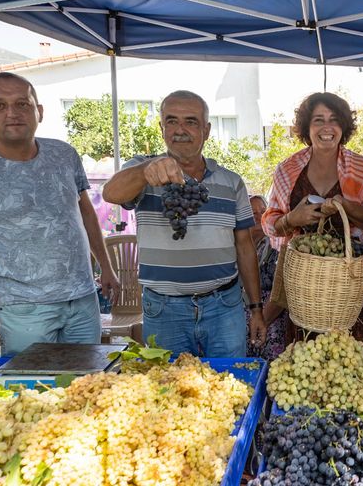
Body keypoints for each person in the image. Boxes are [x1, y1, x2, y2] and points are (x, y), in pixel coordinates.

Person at [0, 72, 120, 355]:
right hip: (24, 310)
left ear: (39, 111)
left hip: (83, 301)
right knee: (32, 394)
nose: (12, 113)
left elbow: (86, 214)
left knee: (88, 389)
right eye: (0, 105)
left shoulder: (63, 154)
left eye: (22, 104)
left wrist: (106, 267)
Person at [102, 90, 265, 357]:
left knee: (230, 386)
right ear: (161, 127)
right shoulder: (143, 172)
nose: (181, 130)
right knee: (171, 391)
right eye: (172, 121)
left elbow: (245, 247)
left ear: (207, 130)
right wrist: (145, 171)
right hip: (165, 311)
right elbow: (111, 192)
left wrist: (256, 308)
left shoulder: (231, 182)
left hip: (224, 307)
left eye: (191, 121)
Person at [262, 92, 363, 346]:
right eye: (318, 120)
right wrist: (292, 218)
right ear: (307, 128)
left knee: (351, 362)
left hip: (348, 283)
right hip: (304, 284)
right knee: (304, 365)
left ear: (343, 126)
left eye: (334, 119)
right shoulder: (287, 169)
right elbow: (272, 225)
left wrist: (347, 207)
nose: (327, 127)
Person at [245, 194, 287, 360]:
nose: (258, 216)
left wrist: (262, 320)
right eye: (252, 212)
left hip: (270, 319)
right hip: (239, 323)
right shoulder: (235, 245)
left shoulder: (276, 246)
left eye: (263, 211)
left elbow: (282, 290)